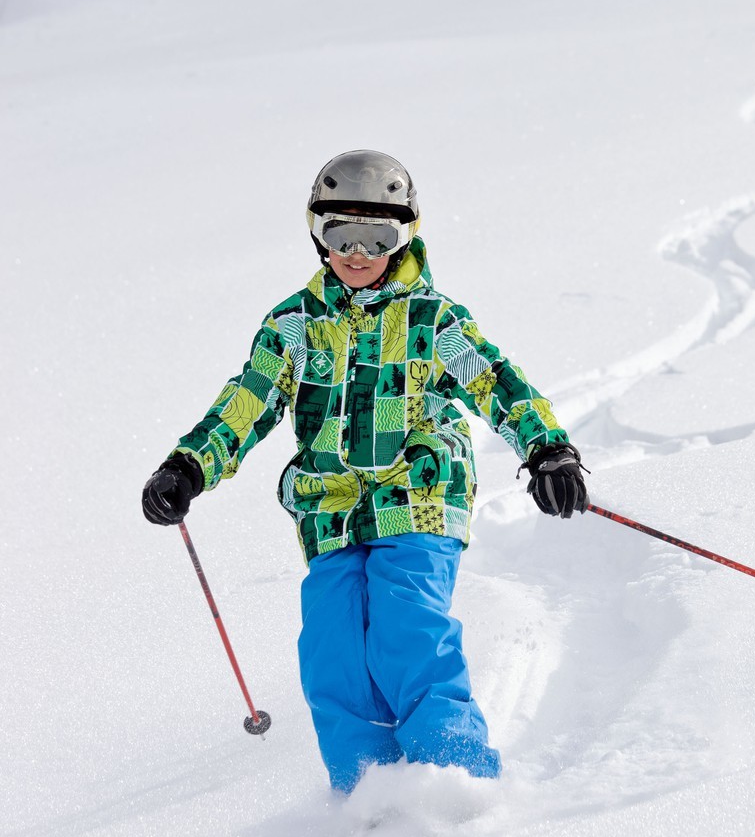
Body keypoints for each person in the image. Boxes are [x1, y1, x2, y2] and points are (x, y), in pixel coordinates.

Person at [142, 150, 588, 791]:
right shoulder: (293, 325)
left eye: (377, 237)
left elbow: (495, 381)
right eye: (340, 235)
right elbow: (247, 404)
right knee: (334, 653)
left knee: (406, 629)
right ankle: (368, 797)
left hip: (419, 494)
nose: (357, 252)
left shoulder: (433, 321)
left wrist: (547, 449)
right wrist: (187, 466)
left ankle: (453, 780)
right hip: (329, 510)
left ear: (404, 236)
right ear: (317, 234)